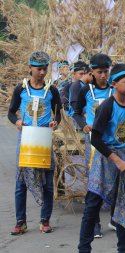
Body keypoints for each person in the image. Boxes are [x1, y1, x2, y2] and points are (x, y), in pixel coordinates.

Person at [78, 64, 125, 253]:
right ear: (114, 84)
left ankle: (123, 249)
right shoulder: (107, 106)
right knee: (92, 205)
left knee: (124, 206)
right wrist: (116, 160)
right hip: (105, 160)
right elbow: (95, 138)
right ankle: (84, 248)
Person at [8, 52, 62, 235]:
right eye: (39, 69)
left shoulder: (52, 90)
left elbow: (58, 113)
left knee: (47, 182)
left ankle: (45, 220)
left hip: (44, 141)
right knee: (20, 183)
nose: (42, 72)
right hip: (26, 141)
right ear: (30, 68)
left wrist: (56, 122)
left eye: (45, 68)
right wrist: (16, 122)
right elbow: (11, 112)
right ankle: (20, 222)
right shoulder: (21, 89)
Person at [73, 53, 114, 238]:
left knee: (114, 179)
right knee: (94, 181)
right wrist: (84, 125)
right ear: (92, 72)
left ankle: (116, 218)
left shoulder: (115, 90)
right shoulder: (85, 90)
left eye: (106, 71)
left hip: (112, 141)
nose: (103, 75)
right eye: (99, 72)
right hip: (94, 142)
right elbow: (76, 113)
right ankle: (95, 223)